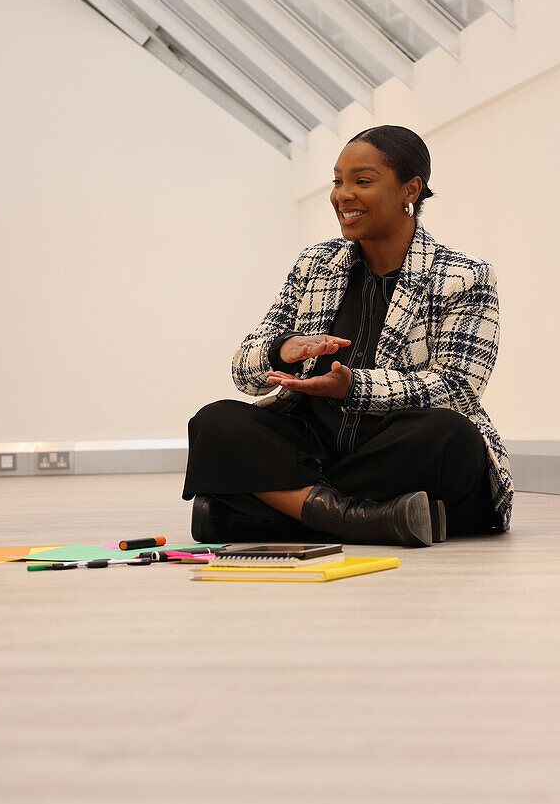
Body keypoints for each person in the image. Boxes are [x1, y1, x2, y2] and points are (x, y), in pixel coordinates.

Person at [183, 125, 513, 547]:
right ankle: (367, 518)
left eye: (362, 181)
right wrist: (281, 349)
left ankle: (269, 507)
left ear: (409, 190)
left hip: (391, 451)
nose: (343, 195)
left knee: (450, 435)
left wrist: (354, 387)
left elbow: (457, 389)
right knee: (215, 422)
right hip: (316, 449)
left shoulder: (464, 276)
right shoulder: (315, 264)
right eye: (338, 181)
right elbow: (243, 370)